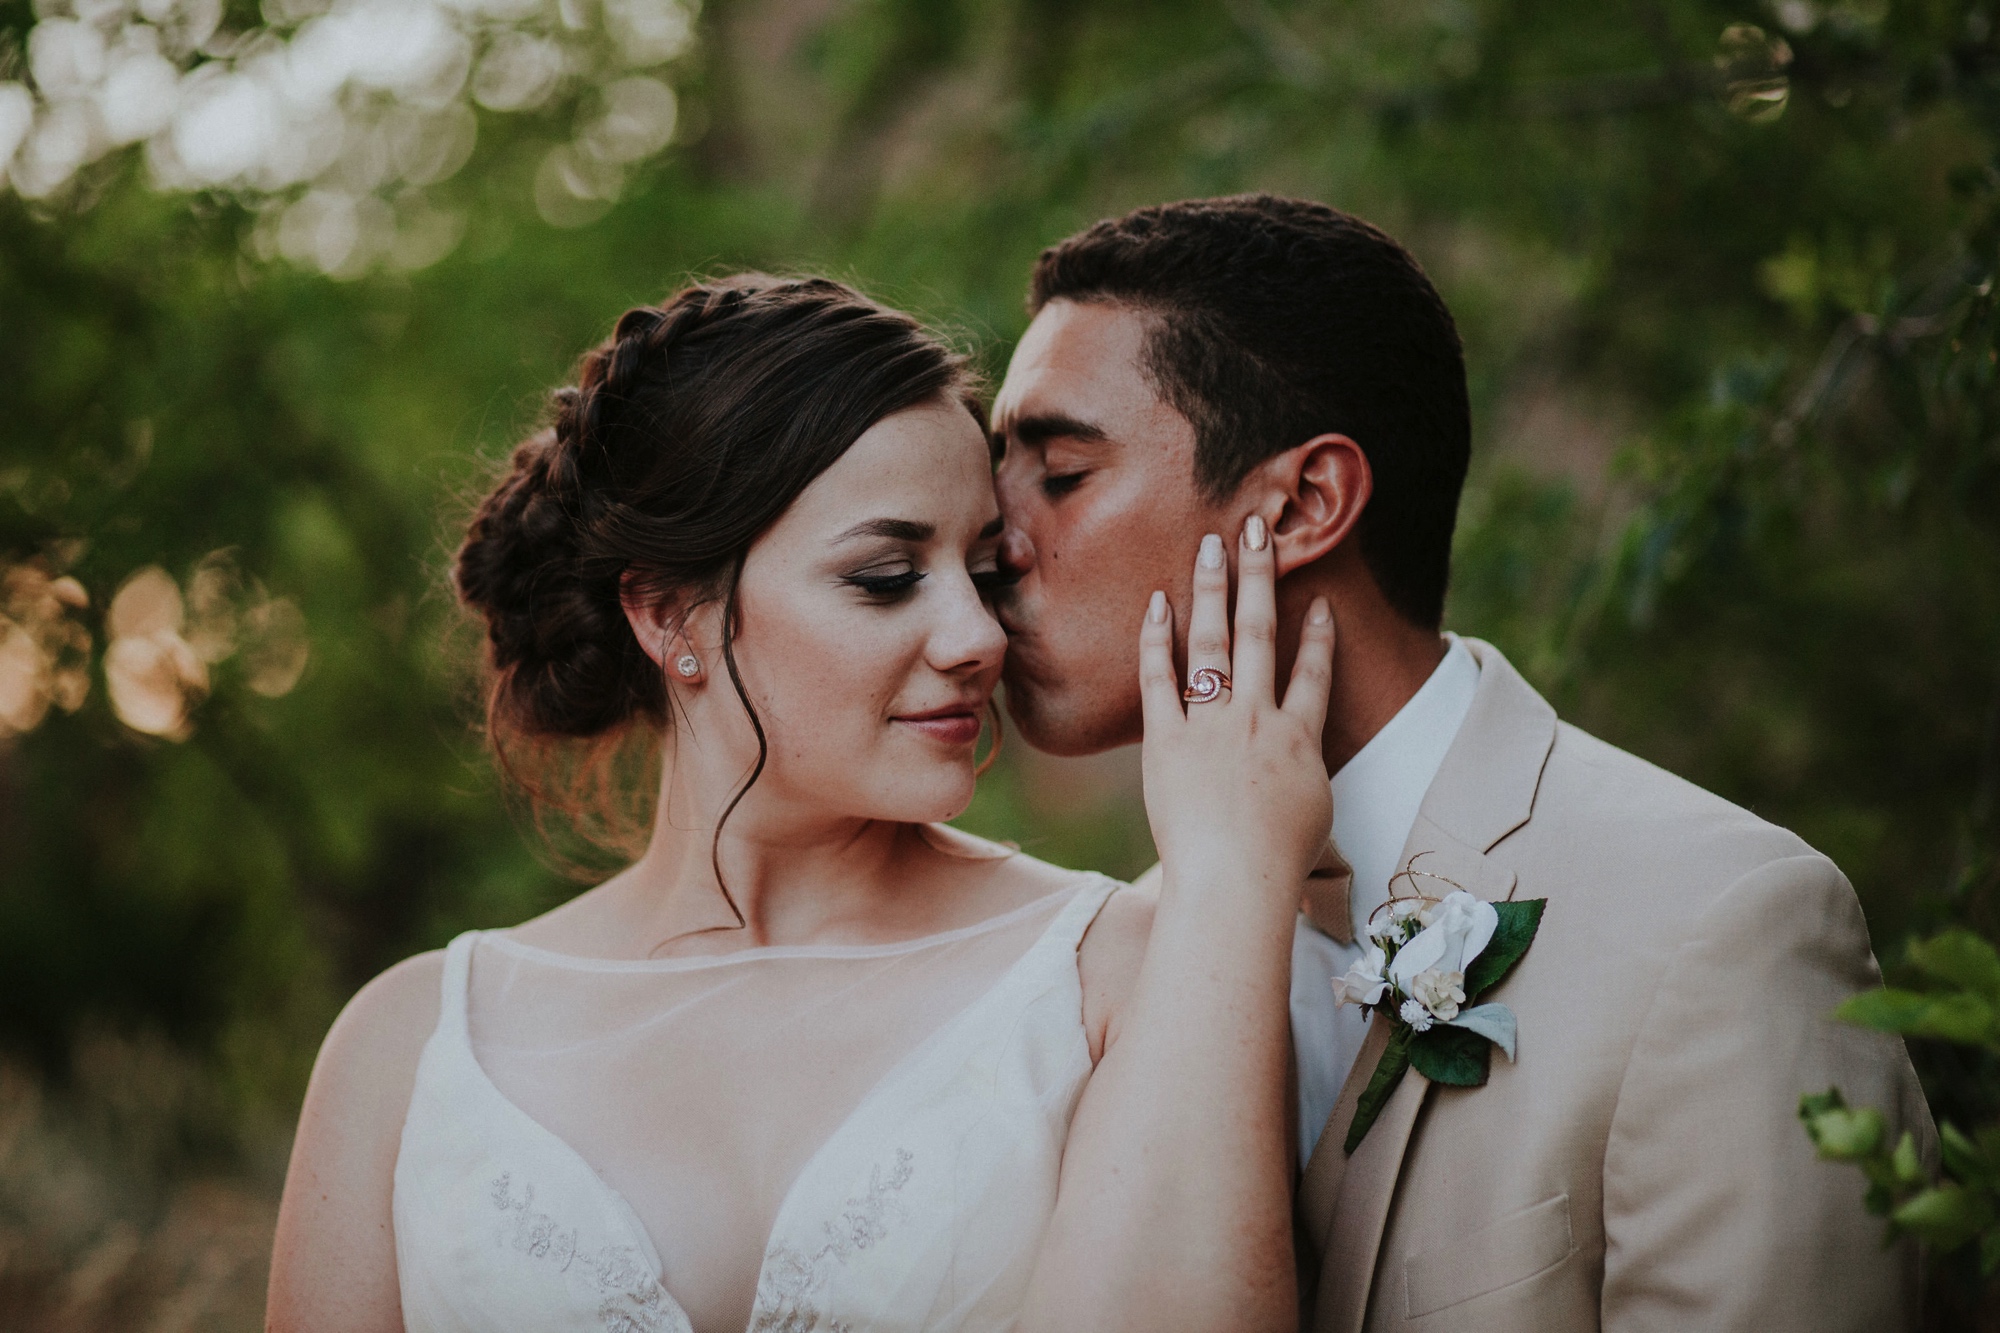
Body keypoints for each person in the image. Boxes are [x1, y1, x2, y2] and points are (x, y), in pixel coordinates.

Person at [265, 274, 1332, 1333]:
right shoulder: (413, 1046)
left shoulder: (1122, 968)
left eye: (984, 572)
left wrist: (1231, 869)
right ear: (668, 612)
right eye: (883, 577)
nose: (976, 638)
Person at [988, 195, 1938, 1332]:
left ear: (1300, 504)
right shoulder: (1099, 974)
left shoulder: (1720, 925)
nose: (988, 542)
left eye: (1056, 474)